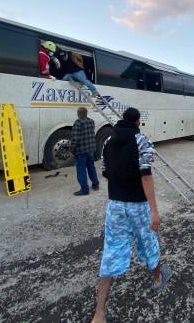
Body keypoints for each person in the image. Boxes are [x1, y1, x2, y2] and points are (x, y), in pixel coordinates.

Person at [91, 107, 172, 323]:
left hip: (115, 206)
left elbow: (106, 172)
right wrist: (154, 210)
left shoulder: (108, 141)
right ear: (137, 122)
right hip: (137, 205)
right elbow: (146, 176)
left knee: (111, 250)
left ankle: (99, 313)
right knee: (148, 241)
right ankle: (158, 279)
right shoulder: (141, 141)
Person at [70, 107, 99, 196]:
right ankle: (95, 184)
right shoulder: (91, 121)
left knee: (81, 171)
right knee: (91, 168)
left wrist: (72, 149)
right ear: (86, 113)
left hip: (81, 151)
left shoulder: (78, 123)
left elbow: (75, 139)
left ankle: (84, 190)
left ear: (78, 114)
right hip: (90, 150)